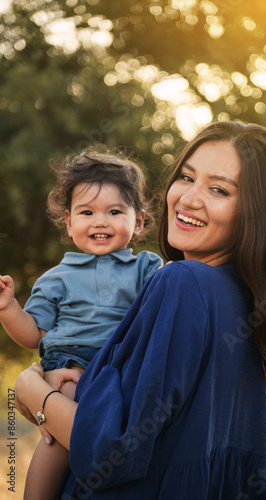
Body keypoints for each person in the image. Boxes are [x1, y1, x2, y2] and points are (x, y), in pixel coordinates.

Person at [14, 121, 266, 499]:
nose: (188, 198)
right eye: (186, 177)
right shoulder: (245, 301)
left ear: (257, 214)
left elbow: (112, 453)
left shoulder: (183, 283)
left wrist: (34, 393)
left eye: (218, 189)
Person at [0, 150, 162, 499]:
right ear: (69, 221)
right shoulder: (57, 278)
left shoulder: (146, 268)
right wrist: (9, 307)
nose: (100, 221)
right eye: (87, 212)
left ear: (138, 222)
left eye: (115, 212)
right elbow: (32, 334)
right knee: (61, 424)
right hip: (70, 362)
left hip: (117, 364)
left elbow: (162, 308)